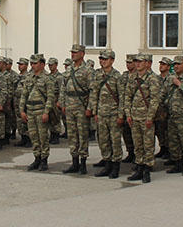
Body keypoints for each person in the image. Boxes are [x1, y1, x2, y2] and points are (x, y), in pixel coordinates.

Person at [125, 53, 161, 183]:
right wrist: (128, 115)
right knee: (137, 145)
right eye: (136, 61)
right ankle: (139, 168)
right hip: (134, 117)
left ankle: (147, 170)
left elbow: (154, 100)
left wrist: (150, 117)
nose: (138, 64)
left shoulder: (152, 79)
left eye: (141, 61)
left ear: (147, 63)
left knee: (148, 145)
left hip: (146, 117)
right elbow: (127, 97)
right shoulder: (132, 78)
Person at [88, 49, 123, 178]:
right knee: (103, 141)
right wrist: (95, 111)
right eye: (101, 59)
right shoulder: (97, 75)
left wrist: (120, 115)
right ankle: (107, 165)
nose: (102, 61)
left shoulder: (117, 76)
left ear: (112, 60)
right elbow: (94, 94)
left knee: (115, 141)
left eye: (105, 59)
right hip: (101, 114)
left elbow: (122, 97)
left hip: (113, 114)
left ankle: (116, 167)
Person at [20, 54, 55, 171]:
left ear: (42, 64)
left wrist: (46, 112)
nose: (33, 65)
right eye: (32, 63)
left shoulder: (47, 78)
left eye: (35, 63)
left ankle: (44, 160)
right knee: (33, 136)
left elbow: (50, 97)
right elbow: (24, 95)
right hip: (30, 110)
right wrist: (22, 110)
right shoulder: (29, 77)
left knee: (43, 136)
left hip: (41, 110)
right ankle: (37, 158)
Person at [61, 44, 93, 174]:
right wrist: (62, 103)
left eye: (75, 52)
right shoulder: (69, 69)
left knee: (82, 135)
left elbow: (92, 90)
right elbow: (64, 87)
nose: (73, 54)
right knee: (72, 135)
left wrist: (90, 108)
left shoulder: (87, 70)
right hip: (69, 106)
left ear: (82, 54)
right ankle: (74, 162)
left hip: (81, 107)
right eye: (72, 52)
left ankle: (83, 163)